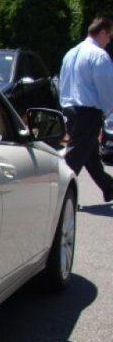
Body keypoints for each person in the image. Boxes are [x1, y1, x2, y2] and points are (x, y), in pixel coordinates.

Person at [59, 16, 113, 202]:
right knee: (73, 159)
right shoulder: (99, 55)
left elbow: (63, 83)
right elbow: (106, 88)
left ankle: (109, 187)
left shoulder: (71, 53)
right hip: (88, 112)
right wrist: (107, 111)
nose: (109, 41)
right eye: (109, 36)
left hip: (70, 109)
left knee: (90, 156)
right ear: (103, 32)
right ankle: (59, 194)